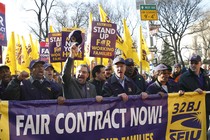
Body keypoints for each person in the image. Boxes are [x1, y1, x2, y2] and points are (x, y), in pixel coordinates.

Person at [179, 54, 210, 131]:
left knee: (204, 131)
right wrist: (193, 94)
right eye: (191, 62)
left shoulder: (205, 75)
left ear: (200, 63)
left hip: (205, 110)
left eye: (195, 63)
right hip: (191, 112)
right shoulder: (184, 77)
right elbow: (179, 93)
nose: (193, 65)